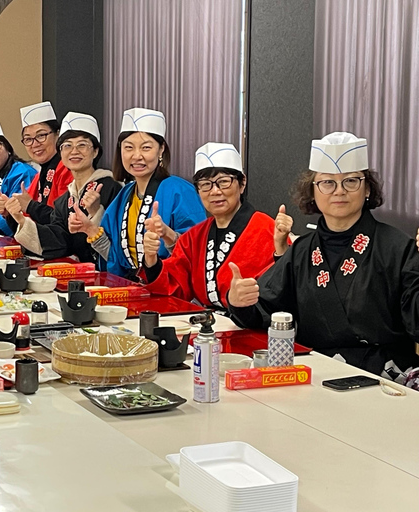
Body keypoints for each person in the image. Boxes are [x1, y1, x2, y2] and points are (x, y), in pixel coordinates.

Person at [229, 132, 419, 381]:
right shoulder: (301, 251)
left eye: (351, 181)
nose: (339, 191)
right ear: (313, 192)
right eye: (327, 183)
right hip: (314, 374)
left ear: (367, 189)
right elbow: (265, 310)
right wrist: (239, 300)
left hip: (385, 377)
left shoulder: (397, 247)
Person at [141, 143, 285, 309]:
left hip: (254, 327)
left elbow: (282, 290)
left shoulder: (268, 229)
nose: (215, 191)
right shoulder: (193, 237)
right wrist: (151, 259)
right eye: (205, 184)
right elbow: (174, 289)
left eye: (223, 182)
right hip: (205, 327)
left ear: (242, 183)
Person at [69, 107, 206, 279]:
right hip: (132, 290)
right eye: (128, 147)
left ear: (161, 149)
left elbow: (197, 251)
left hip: (170, 291)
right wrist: (90, 229)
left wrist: (168, 234)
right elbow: (116, 259)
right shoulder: (124, 195)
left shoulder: (179, 191)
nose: (136, 156)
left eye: (146, 147)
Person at [7, 112, 121, 261]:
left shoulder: (111, 188)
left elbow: (119, 242)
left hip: (110, 275)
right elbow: (59, 241)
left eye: (82, 145)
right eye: (67, 146)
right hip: (82, 275)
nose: (74, 151)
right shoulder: (64, 200)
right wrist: (20, 220)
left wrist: (95, 213)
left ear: (95, 151)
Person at [0, 101, 73, 228]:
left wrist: (30, 206)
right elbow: (28, 225)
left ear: (58, 134)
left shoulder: (67, 170)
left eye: (41, 135)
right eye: (28, 139)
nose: (35, 144)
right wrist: (10, 213)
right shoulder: (38, 177)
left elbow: (65, 220)